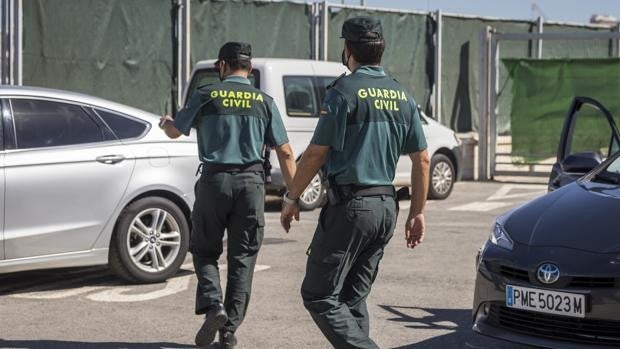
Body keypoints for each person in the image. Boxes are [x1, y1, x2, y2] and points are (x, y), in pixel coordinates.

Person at [280, 17, 430, 349]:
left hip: (351, 207)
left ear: (347, 49)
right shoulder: (401, 95)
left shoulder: (344, 91)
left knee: (318, 294)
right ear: (381, 50)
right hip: (385, 208)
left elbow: (317, 153)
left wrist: (291, 197)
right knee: (351, 297)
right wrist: (417, 213)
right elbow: (422, 159)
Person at [161, 42, 296, 349]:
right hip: (251, 184)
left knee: (205, 250)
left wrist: (166, 121)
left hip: (214, 181)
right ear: (249, 68)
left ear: (222, 66)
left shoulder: (206, 94)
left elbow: (175, 132)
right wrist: (292, 195)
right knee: (243, 259)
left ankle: (214, 306)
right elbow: (285, 152)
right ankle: (230, 330)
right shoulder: (264, 101)